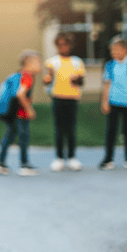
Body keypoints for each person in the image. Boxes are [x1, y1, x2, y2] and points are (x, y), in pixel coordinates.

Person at [0, 50, 42, 176]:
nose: (40, 66)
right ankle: (24, 165)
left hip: (12, 113)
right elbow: (20, 94)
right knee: (24, 138)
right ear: (28, 64)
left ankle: (0, 164)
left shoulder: (21, 75)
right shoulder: (27, 77)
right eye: (38, 63)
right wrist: (29, 109)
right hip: (20, 114)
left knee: (9, 136)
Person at [42, 32, 85, 172]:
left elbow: (81, 81)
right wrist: (46, 79)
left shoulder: (77, 61)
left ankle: (72, 158)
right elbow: (46, 79)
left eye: (66, 44)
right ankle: (59, 158)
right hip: (58, 98)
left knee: (71, 128)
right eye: (60, 44)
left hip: (72, 98)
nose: (63, 47)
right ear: (57, 46)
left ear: (70, 45)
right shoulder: (51, 61)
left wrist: (76, 80)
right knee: (59, 128)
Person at [99, 36, 127, 170]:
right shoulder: (110, 65)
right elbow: (107, 84)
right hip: (113, 102)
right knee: (111, 131)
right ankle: (108, 159)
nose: (113, 53)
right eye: (112, 50)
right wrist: (104, 102)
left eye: (116, 50)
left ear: (125, 50)